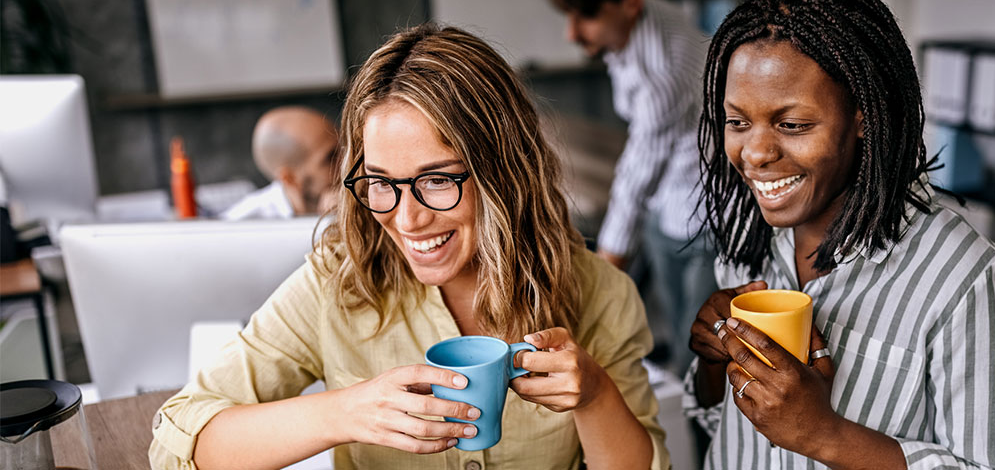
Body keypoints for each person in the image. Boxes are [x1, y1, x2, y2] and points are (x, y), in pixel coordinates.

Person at [149, 24, 669, 470]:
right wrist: (345, 413)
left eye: (437, 180)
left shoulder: (600, 293)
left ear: (503, 173)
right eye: (381, 182)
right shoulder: (338, 283)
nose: (406, 218)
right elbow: (176, 444)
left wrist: (596, 396)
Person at [683, 0, 995, 469]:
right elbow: (728, 429)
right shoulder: (751, 238)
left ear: (864, 117)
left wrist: (824, 436)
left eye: (793, 125)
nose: (756, 152)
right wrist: (712, 363)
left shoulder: (963, 280)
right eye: (738, 121)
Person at [542, 0, 718, 374]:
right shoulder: (640, 14)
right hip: (666, 202)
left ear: (630, 4)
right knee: (677, 331)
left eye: (585, 17)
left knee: (701, 344)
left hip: (707, 216)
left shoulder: (664, 74)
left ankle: (699, 422)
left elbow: (636, 181)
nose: (571, 33)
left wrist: (600, 276)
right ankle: (675, 367)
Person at [220, 106, 339, 220]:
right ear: (290, 178)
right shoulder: (239, 228)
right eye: (330, 158)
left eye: (345, 150)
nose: (345, 162)